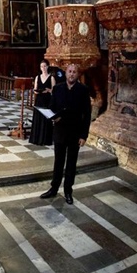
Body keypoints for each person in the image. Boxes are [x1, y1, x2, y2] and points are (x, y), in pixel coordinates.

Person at [40, 64, 91, 205]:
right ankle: (54, 188)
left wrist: (83, 136)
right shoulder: (58, 88)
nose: (71, 74)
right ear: (66, 73)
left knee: (71, 164)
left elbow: (86, 115)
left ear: (77, 74)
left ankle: (68, 191)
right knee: (58, 162)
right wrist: (53, 117)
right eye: (69, 71)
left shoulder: (83, 90)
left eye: (74, 72)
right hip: (60, 131)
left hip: (75, 132)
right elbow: (51, 107)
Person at [29, 59, 55, 146]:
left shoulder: (51, 78)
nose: (43, 68)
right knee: (38, 119)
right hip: (39, 100)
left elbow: (54, 91)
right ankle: (36, 139)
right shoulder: (37, 77)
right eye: (41, 66)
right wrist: (36, 91)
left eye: (44, 66)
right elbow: (35, 90)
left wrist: (48, 90)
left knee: (46, 119)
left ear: (47, 67)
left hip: (47, 100)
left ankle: (45, 139)